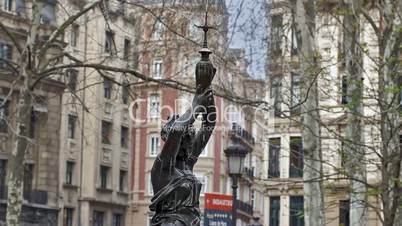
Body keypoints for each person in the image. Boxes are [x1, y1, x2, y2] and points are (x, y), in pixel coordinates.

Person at [149, 85, 216, 226]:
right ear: (179, 142)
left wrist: (208, 95)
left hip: (192, 222)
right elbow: (177, 131)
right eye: (189, 139)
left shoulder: (188, 165)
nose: (193, 143)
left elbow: (208, 125)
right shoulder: (163, 165)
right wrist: (195, 106)